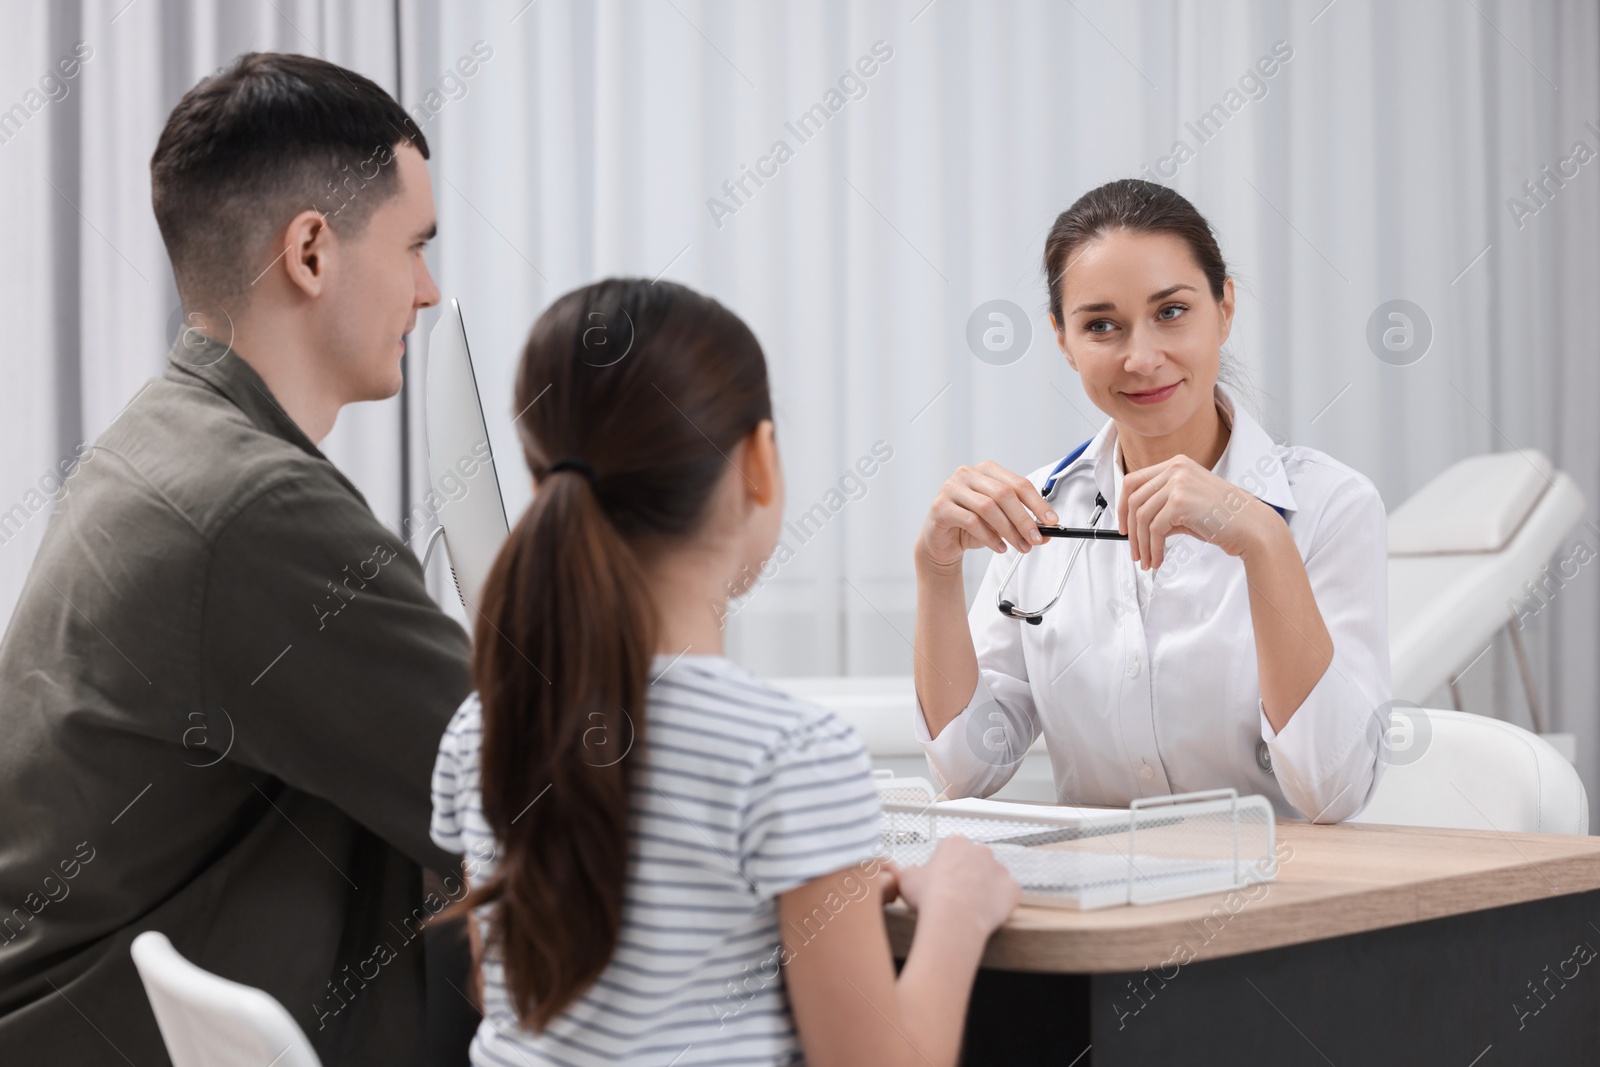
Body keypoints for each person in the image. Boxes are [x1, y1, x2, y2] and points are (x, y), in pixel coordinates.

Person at [0, 54, 475, 1065]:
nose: (429, 293)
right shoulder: (257, 508)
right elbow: (543, 792)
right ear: (310, 250)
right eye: (415, 247)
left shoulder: (159, 439)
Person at [428, 278, 1020, 1067]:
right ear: (760, 464)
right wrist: (956, 907)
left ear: (542, 484)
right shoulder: (791, 752)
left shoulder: (484, 725)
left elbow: (502, 984)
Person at [912, 179, 1392, 824]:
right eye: (1102, 325)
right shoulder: (1039, 513)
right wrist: (936, 571)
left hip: (1279, 906)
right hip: (1102, 903)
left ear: (1224, 308)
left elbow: (1333, 794)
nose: (1141, 358)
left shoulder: (1328, 507)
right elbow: (968, 771)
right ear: (1062, 338)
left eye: (1171, 312)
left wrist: (1264, 542)